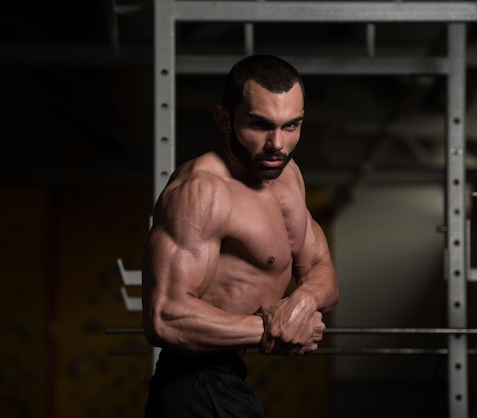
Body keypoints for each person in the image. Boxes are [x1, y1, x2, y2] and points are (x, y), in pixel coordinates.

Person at [142, 54, 339, 417]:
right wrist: (272, 330)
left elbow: (320, 265)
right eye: (260, 125)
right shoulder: (201, 191)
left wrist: (303, 302)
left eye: (291, 126)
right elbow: (164, 316)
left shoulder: (288, 175)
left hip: (228, 375)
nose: (277, 143)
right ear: (224, 119)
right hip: (194, 380)